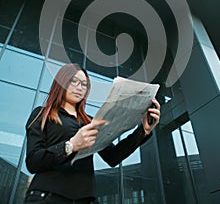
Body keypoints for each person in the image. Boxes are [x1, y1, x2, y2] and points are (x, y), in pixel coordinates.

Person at [24, 63, 160, 204]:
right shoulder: (42, 114)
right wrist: (71, 145)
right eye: (73, 81)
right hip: (48, 196)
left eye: (84, 84)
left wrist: (143, 131)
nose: (79, 87)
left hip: (85, 199)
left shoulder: (90, 121)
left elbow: (112, 157)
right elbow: (33, 161)